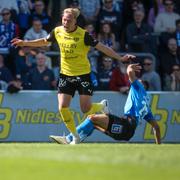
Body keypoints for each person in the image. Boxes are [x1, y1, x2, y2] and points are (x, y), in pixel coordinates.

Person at [11, 8, 135, 144]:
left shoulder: (84, 35)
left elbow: (102, 47)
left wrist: (120, 58)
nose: (65, 22)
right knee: (62, 107)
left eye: (69, 20)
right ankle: (75, 136)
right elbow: (44, 41)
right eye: (64, 19)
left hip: (83, 75)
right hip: (65, 75)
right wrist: (25, 43)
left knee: (85, 110)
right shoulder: (57, 31)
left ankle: (100, 106)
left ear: (75, 21)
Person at [50, 63, 161, 145]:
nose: (136, 81)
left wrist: (129, 67)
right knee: (92, 121)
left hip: (125, 125)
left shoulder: (138, 87)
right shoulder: (146, 104)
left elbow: (130, 73)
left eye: (139, 81)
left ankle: (71, 139)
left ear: (142, 86)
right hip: (127, 131)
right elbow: (156, 127)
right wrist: (158, 145)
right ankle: (72, 140)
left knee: (92, 118)